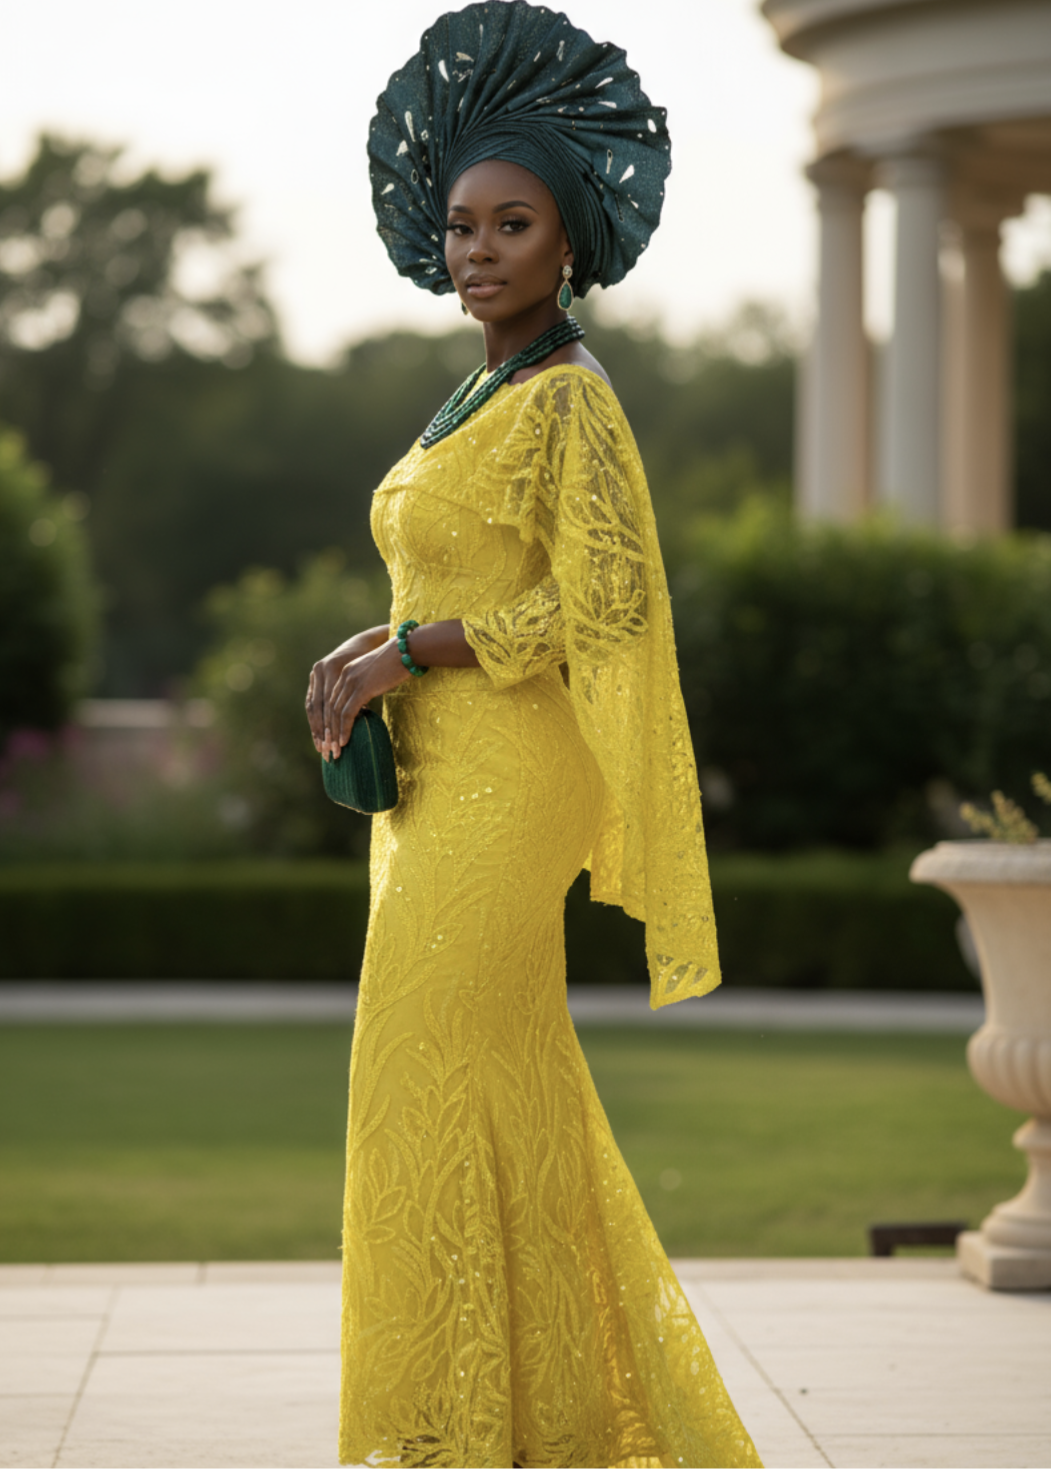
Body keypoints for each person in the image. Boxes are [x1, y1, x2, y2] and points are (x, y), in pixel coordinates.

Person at [305, 4, 763, 1465]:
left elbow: (601, 605)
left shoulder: (571, 400)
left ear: (569, 243)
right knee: (468, 1072)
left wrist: (411, 650)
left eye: (513, 225)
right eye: (461, 225)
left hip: (514, 778)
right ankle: (512, 1408)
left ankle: (477, 1417)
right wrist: (372, 653)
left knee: (436, 1055)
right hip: (433, 781)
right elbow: (457, 579)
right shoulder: (475, 395)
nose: (480, 250)